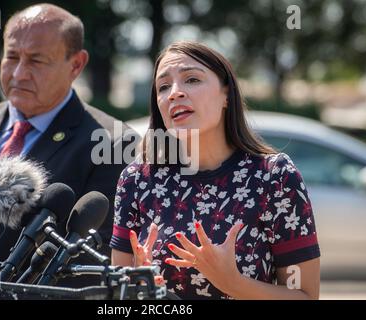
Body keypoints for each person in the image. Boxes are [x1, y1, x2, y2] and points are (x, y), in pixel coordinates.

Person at [0, 4, 130, 287]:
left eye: (36, 60)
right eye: (12, 56)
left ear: (76, 64)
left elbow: (91, 261)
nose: (19, 73)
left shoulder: (112, 143)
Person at [110, 41, 321, 299]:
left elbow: (305, 296)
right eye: (163, 86)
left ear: (226, 94)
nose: (175, 92)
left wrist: (233, 283)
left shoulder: (275, 177)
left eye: (192, 79)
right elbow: (115, 297)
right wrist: (138, 292)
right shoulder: (136, 180)